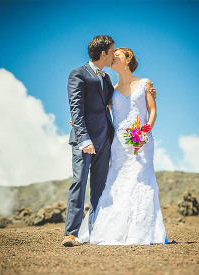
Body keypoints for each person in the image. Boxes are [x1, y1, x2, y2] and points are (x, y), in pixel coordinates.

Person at [76, 48, 167, 244]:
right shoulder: (112, 88)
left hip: (142, 141)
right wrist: (78, 116)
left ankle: (140, 232)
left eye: (117, 55)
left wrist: (145, 132)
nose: (113, 57)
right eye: (112, 55)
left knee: (142, 182)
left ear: (128, 60)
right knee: (117, 184)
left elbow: (152, 112)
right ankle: (110, 230)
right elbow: (97, 107)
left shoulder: (145, 83)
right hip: (118, 144)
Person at [63, 35, 117, 247]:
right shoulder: (78, 74)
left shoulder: (106, 79)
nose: (113, 56)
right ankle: (71, 233)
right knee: (79, 182)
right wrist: (83, 138)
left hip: (105, 139)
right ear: (103, 54)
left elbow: (116, 100)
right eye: (112, 52)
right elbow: (75, 108)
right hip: (84, 141)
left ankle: (95, 231)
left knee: (99, 187)